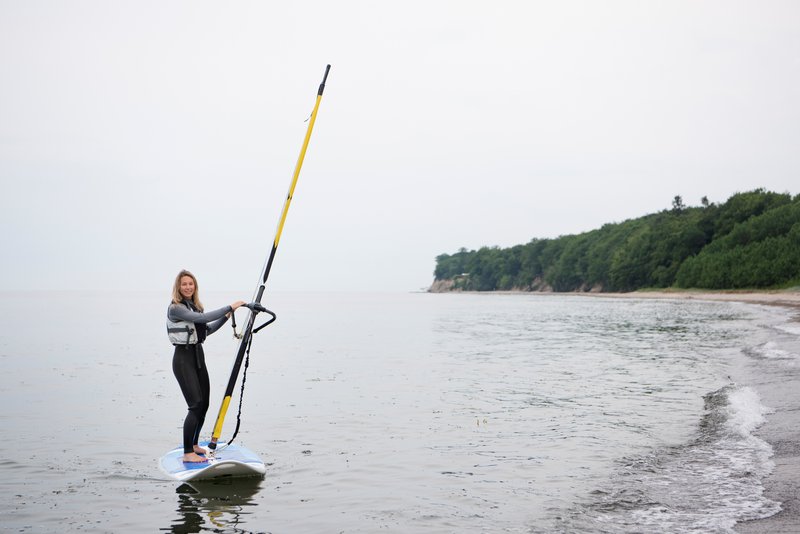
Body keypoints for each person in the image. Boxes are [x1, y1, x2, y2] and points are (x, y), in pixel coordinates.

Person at [167, 269, 245, 463]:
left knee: (204, 404)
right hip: (183, 358)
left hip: (198, 357)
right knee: (194, 406)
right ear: (178, 287)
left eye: (190, 284)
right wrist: (231, 305)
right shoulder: (175, 308)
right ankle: (187, 453)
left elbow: (207, 329)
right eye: (184, 284)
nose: (187, 287)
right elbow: (203, 319)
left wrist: (227, 315)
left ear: (195, 287)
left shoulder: (195, 307)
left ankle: (194, 445)